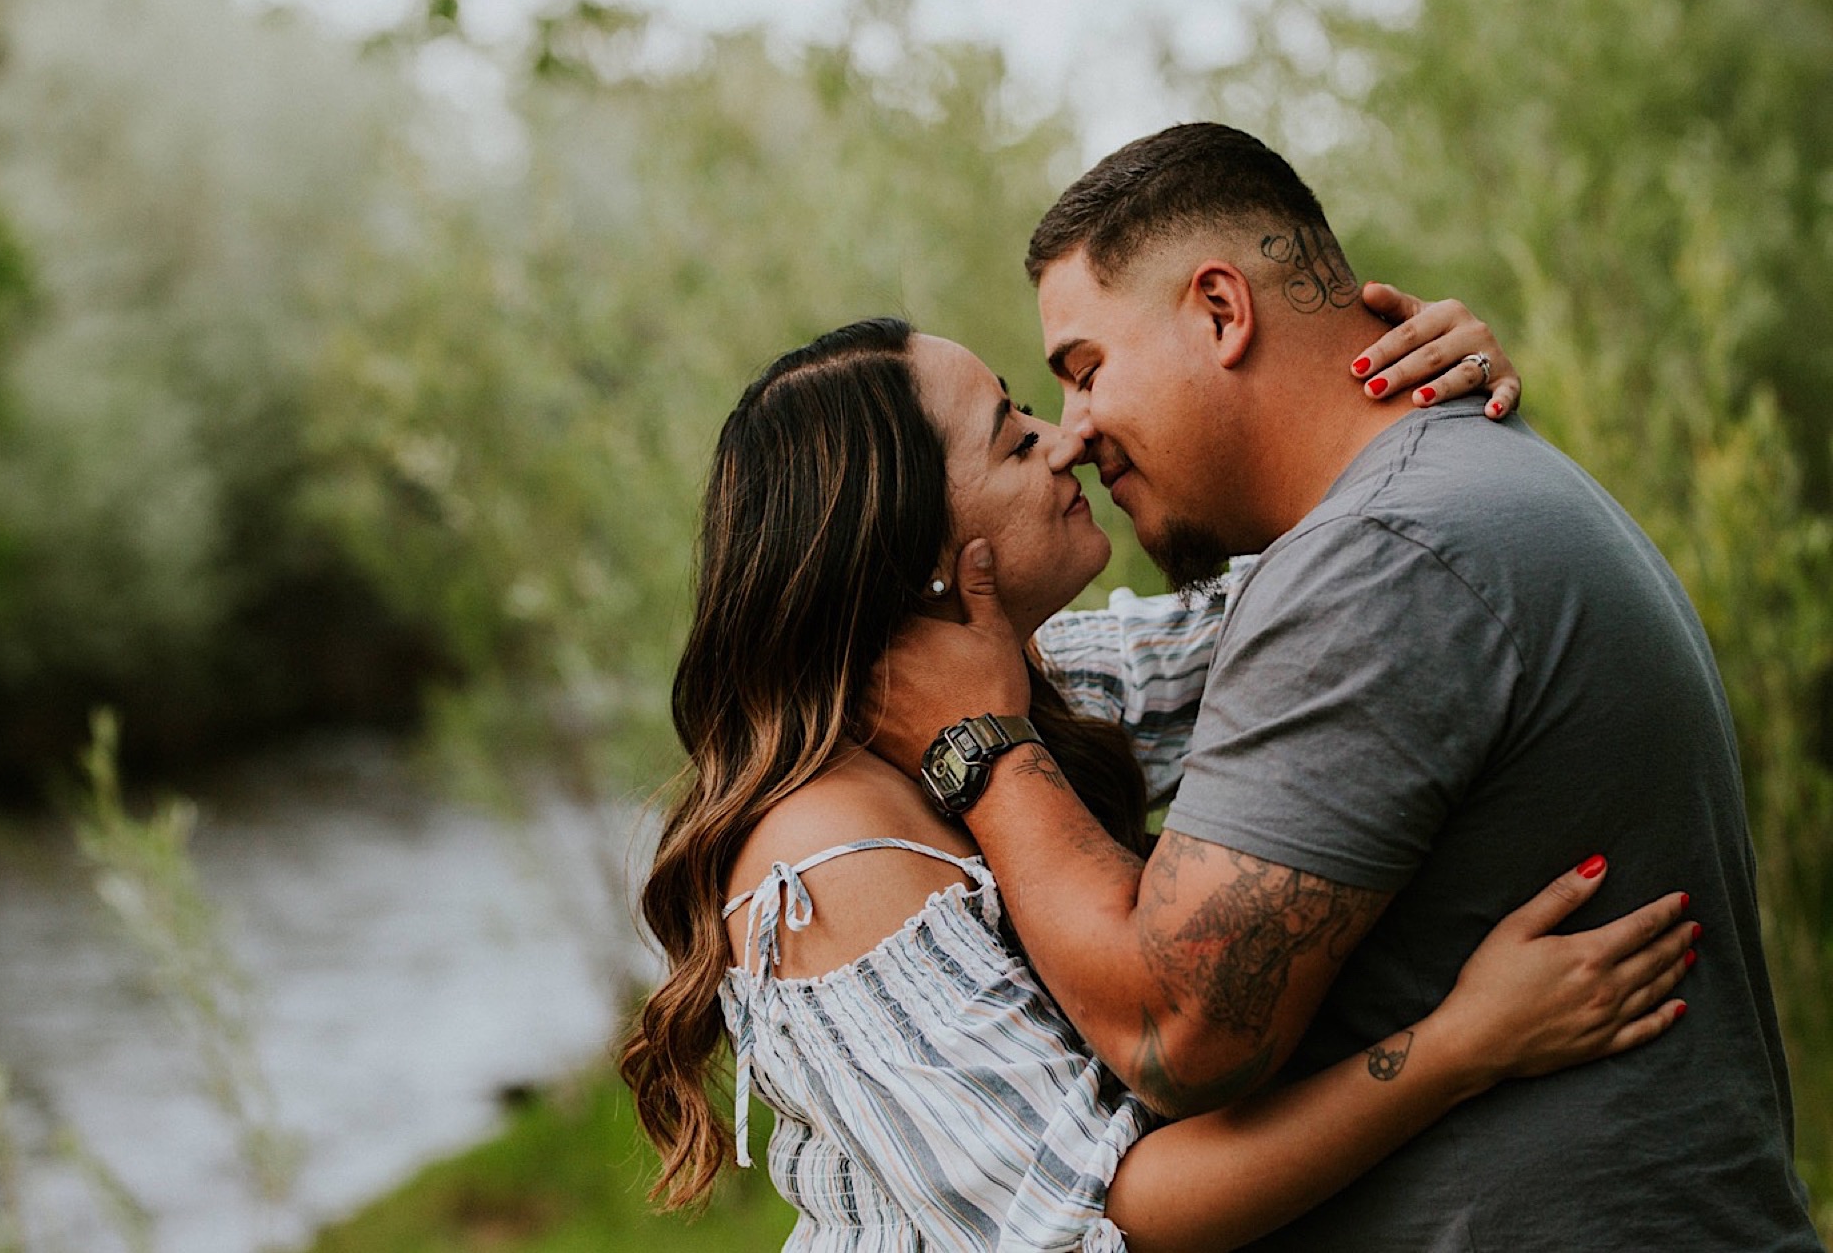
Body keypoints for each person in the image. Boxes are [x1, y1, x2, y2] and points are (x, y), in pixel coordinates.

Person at [866, 123, 1821, 1250]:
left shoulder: (1380, 557)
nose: (1070, 436)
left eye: (1083, 370)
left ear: (1220, 311)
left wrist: (978, 740)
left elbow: (1173, 1028)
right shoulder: (1455, 492)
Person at [619, 312, 1696, 1252]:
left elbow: (1360, 595)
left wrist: (1426, 409)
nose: (1066, 440)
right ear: (916, 552)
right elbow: (1110, 1216)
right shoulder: (827, 866)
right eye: (1011, 433)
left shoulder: (1054, 684)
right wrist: (1460, 1047)